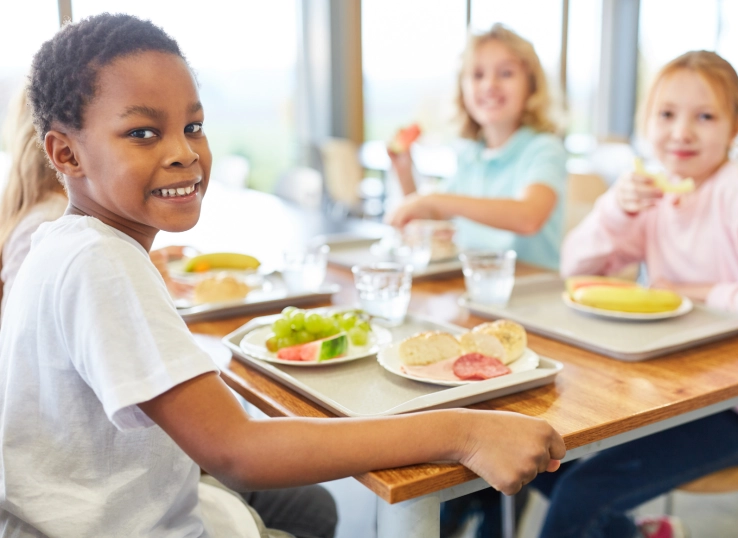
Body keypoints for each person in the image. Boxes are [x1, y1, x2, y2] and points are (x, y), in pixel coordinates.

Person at [0, 14, 565, 538]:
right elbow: (238, 448)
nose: (184, 153)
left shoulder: (71, 243)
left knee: (314, 508)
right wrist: (464, 430)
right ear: (66, 155)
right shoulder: (102, 262)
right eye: (143, 133)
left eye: (194, 126)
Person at [539, 51, 738, 538]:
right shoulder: (656, 190)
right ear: (645, 122)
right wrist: (615, 209)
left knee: (580, 493)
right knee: (543, 461)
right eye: (667, 115)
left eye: (706, 116)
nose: (682, 133)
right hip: (673, 390)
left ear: (737, 127)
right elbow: (575, 269)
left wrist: (697, 292)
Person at [387, 24, 566, 271]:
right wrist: (405, 173)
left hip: (532, 293)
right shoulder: (470, 155)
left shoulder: (544, 149)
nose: (489, 84)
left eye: (506, 73)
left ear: (531, 86)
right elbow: (431, 216)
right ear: (463, 88)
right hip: (475, 287)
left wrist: (435, 199)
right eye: (478, 75)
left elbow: (528, 218)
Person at [0, 88, 189, 320]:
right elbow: (25, 327)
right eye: (138, 134)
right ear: (67, 153)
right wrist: (129, 276)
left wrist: (137, 262)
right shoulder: (48, 221)